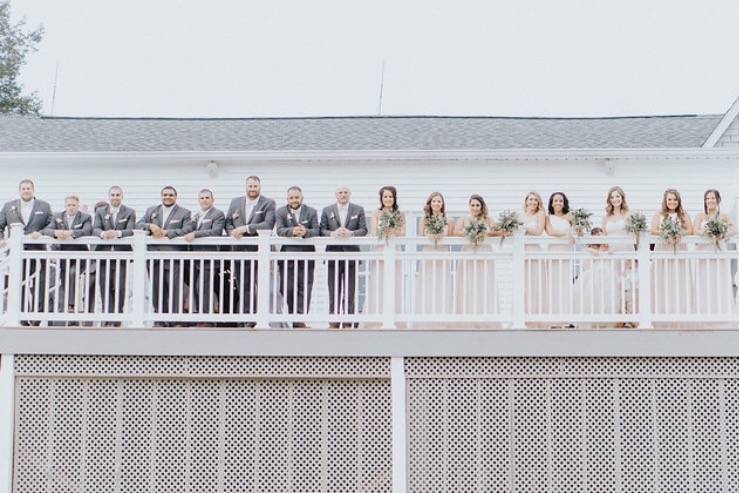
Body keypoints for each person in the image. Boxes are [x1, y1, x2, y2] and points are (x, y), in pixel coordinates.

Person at [224, 176, 276, 326]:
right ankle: (246, 318)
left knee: (258, 286)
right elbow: (228, 222)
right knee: (243, 285)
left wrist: (246, 229)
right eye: (250, 186)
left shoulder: (268, 203)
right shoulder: (235, 202)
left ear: (260, 187)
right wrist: (233, 233)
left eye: (255, 186)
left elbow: (268, 224)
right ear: (246, 187)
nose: (252, 189)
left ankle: (257, 317)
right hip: (239, 251)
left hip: (259, 251)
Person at [0, 179, 53, 322]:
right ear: (19, 191)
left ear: (33, 189)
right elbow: (0, 225)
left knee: (39, 283)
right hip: (16, 254)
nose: (26, 191)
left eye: (28, 188)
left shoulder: (44, 206)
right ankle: (21, 315)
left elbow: (52, 224)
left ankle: (37, 316)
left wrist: (41, 233)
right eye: (23, 188)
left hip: (37, 251)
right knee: (18, 283)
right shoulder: (8, 206)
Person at [137, 186, 191, 324]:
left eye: (171, 195)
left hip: (173, 256)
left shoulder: (184, 212)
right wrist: (150, 226)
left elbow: (188, 229)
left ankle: (175, 320)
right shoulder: (152, 211)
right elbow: (137, 225)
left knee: (175, 289)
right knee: (156, 289)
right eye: (165, 194)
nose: (168, 197)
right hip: (154, 257)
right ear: (161, 196)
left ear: (175, 196)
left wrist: (167, 233)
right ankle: (159, 319)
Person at [320, 186, 367, 328]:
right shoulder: (327, 210)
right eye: (340, 193)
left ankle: (348, 321)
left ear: (350, 194)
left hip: (351, 254)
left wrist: (351, 233)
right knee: (333, 290)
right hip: (333, 254)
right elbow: (321, 230)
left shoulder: (358, 210)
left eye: (346, 192)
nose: (343, 195)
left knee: (350, 290)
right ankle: (334, 321)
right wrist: (332, 234)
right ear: (336, 195)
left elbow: (364, 229)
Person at [41, 195, 93, 320]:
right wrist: (56, 233)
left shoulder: (85, 217)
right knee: (65, 279)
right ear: (65, 206)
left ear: (78, 206)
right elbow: (46, 230)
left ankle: (71, 304)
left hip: (80, 256)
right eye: (69, 205)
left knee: (72, 273)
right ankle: (69, 308)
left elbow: (88, 230)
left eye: (73, 205)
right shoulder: (58, 216)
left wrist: (72, 233)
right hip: (63, 255)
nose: (71, 207)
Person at [275, 186, 320, 328]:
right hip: (287, 255)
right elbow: (280, 230)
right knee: (286, 288)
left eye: (297, 197)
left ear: (302, 198)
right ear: (288, 199)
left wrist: (305, 232)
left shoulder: (311, 211)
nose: (294, 200)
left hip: (306, 255)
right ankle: (294, 314)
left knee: (305, 287)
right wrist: (293, 231)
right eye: (291, 198)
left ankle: (299, 320)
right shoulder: (281, 212)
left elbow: (317, 230)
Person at [92, 186, 136, 325]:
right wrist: (103, 234)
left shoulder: (129, 212)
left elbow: (130, 230)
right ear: (109, 197)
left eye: (118, 195)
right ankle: (108, 316)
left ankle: (118, 315)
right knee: (105, 285)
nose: (115, 197)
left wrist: (117, 234)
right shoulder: (100, 211)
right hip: (104, 255)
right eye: (113, 195)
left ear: (122, 196)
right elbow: (96, 228)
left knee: (120, 286)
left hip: (121, 255)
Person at [453, 194, 498, 326]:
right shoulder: (464, 219)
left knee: (483, 283)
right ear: (469, 206)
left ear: (481, 206)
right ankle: (468, 318)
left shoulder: (487, 219)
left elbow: (497, 231)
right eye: (472, 205)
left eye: (477, 205)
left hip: (484, 253)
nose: (475, 208)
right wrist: (470, 232)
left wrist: (483, 232)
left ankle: (485, 317)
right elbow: (455, 232)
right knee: (468, 283)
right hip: (468, 252)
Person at [181, 189, 225, 324]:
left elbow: (216, 232)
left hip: (208, 257)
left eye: (207, 197)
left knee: (203, 287)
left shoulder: (218, 214)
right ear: (198, 200)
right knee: (194, 287)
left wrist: (195, 234)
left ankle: (207, 318)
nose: (204, 200)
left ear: (212, 200)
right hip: (194, 257)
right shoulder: (196, 216)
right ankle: (200, 315)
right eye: (202, 198)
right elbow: (187, 229)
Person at [692, 189, 736, 319]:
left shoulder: (724, 216)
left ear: (718, 200)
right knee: (704, 281)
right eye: (707, 199)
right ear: (705, 201)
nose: (710, 201)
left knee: (719, 280)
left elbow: (735, 228)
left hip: (719, 252)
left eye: (712, 198)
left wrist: (722, 234)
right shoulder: (701, 216)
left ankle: (721, 311)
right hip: (703, 252)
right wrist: (709, 233)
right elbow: (695, 230)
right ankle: (703, 312)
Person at [365, 186, 406, 325]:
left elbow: (402, 231)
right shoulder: (376, 213)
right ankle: (376, 318)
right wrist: (385, 229)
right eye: (385, 197)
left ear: (394, 198)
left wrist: (392, 230)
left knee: (394, 282)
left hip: (394, 250)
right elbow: (375, 231)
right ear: (381, 199)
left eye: (390, 196)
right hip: (380, 249)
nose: (388, 199)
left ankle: (395, 317)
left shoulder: (400, 214)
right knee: (378, 282)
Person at [650, 188, 693, 317]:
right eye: (670, 199)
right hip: (663, 248)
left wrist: (678, 233)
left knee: (679, 279)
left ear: (678, 201)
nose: (672, 202)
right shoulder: (659, 214)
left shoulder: (683, 214)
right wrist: (666, 233)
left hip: (679, 249)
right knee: (662, 278)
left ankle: (680, 310)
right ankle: (661, 311)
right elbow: (653, 230)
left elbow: (690, 230)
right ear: (665, 200)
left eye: (675, 199)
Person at [416, 192, 453, 318]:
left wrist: (441, 236)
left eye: (439, 201)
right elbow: (421, 236)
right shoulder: (424, 220)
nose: (436, 204)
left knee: (442, 284)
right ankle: (426, 315)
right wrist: (431, 235)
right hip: (428, 253)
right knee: (428, 284)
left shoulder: (448, 220)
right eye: (434, 201)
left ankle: (443, 315)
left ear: (442, 204)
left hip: (443, 253)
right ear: (430, 204)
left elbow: (452, 237)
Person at [573, 227, 618, 327]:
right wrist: (594, 251)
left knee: (606, 295)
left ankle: (605, 320)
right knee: (591, 293)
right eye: (597, 235)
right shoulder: (591, 248)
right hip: (594, 271)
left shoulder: (606, 246)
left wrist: (607, 250)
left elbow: (613, 250)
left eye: (601, 235)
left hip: (606, 272)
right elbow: (587, 263)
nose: (600, 238)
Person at [545, 192, 574, 328]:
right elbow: (550, 232)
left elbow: (578, 232)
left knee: (565, 285)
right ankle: (553, 319)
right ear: (551, 203)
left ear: (564, 203)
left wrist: (572, 234)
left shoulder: (570, 217)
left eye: (560, 201)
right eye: (555, 200)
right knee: (553, 285)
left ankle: (566, 318)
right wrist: (566, 234)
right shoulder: (548, 217)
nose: (558, 203)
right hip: (553, 253)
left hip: (566, 253)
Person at [520, 192, 547, 322]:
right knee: (523, 284)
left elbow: (539, 231)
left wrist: (523, 228)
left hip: (534, 250)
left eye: (536, 200)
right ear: (526, 201)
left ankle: (537, 317)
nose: (533, 202)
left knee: (535, 283)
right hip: (521, 251)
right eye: (530, 199)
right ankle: (523, 316)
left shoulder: (540, 214)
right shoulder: (520, 216)